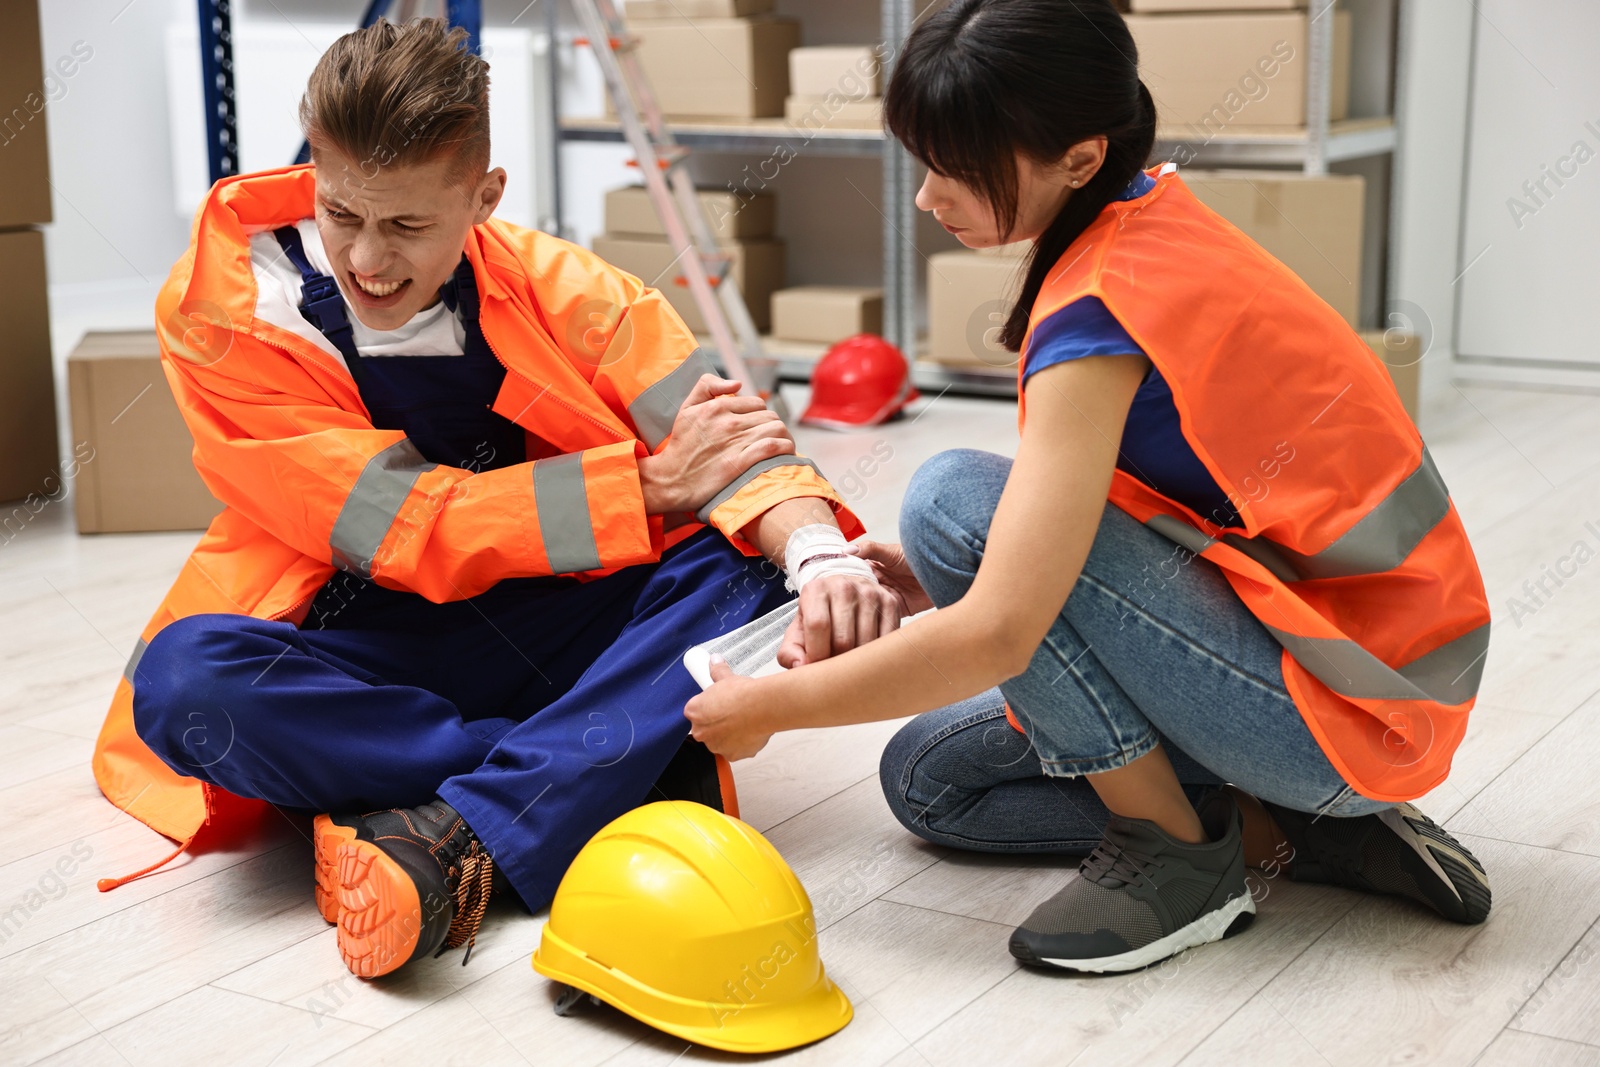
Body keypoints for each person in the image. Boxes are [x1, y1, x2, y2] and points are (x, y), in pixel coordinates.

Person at [687, 0, 1493, 975]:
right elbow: (1170, 484)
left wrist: (777, 707)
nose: (926, 197)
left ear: (1077, 155)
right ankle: (1282, 828)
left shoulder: (1099, 306)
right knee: (931, 782)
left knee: (950, 498)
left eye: (957, 164)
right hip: (1352, 662)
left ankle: (1180, 856)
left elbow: (1000, 631)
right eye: (924, 160)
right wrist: (933, 572)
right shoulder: (1145, 211)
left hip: (1351, 704)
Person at [90, 18, 900, 979]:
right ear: (313, 176)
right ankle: (592, 768)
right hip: (358, 640)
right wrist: (641, 486)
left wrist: (817, 553)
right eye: (342, 213)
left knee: (751, 568)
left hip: (551, 625)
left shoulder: (573, 290)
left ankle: (471, 821)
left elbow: (730, 443)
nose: (366, 260)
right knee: (187, 681)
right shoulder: (227, 315)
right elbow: (391, 523)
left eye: (406, 225)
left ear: (484, 199)